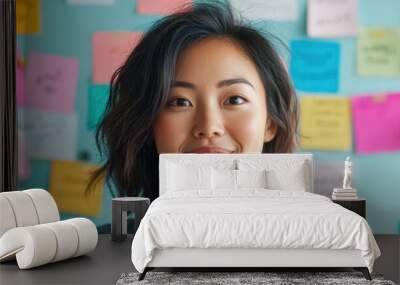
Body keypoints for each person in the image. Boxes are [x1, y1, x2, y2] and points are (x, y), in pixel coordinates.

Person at [87, 1, 299, 201]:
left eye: (234, 100)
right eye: (180, 102)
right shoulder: (108, 239)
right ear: (149, 122)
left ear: (270, 122)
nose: (209, 127)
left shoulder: (313, 237)